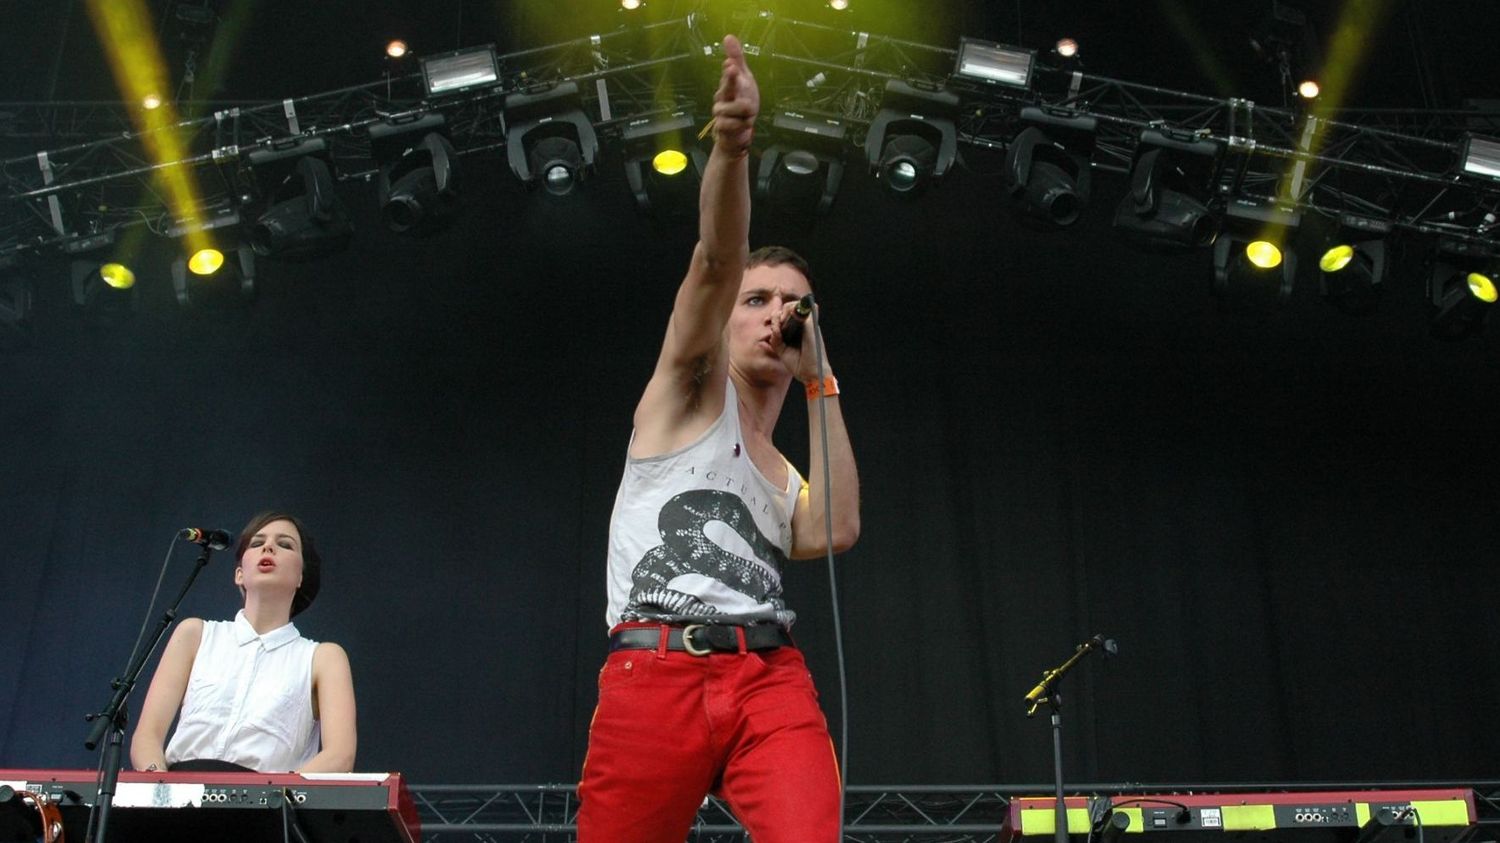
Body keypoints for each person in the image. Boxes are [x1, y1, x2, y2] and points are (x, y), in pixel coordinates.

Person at [576, 34, 860, 843]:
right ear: (729, 316)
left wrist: (822, 379)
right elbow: (715, 258)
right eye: (759, 299)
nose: (777, 315)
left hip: (769, 675)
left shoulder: (782, 470)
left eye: (795, 305)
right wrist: (734, 148)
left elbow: (834, 529)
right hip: (654, 666)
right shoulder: (689, 392)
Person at [128, 511, 357, 773]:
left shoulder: (323, 658)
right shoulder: (194, 634)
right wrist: (160, 788)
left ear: (300, 578)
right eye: (257, 543)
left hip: (269, 803)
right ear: (239, 574)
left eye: (285, 545)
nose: (269, 546)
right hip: (178, 792)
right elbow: (147, 736)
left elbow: (339, 756)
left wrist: (276, 797)